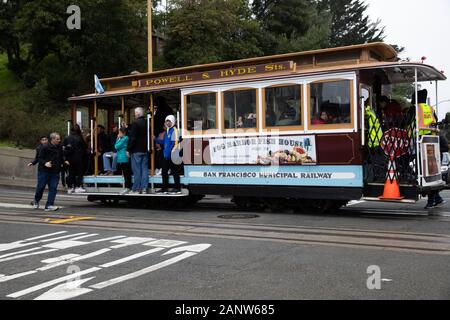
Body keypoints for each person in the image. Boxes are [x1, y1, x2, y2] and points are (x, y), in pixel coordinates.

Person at [31, 132, 69, 211]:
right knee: (41, 187)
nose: (59, 140)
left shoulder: (60, 147)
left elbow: (61, 157)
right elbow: (40, 158)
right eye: (57, 139)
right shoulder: (44, 147)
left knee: (53, 188)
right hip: (44, 171)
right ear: (52, 139)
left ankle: (49, 205)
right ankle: (36, 200)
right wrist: (45, 163)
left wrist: (64, 161)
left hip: (55, 171)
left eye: (59, 139)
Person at [155, 115, 182, 194]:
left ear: (173, 122)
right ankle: (164, 188)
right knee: (164, 172)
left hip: (172, 155)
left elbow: (176, 143)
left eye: (169, 121)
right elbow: (164, 142)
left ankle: (177, 188)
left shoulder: (174, 130)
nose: (167, 122)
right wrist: (155, 139)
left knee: (174, 171)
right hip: (166, 155)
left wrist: (171, 153)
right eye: (166, 121)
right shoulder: (167, 131)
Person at [127, 107, 149, 194]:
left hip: (136, 150)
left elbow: (133, 138)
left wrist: (128, 149)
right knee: (144, 170)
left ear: (138, 114)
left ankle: (136, 188)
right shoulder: (147, 122)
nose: (134, 114)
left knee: (137, 170)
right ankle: (144, 188)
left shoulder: (135, 123)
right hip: (145, 149)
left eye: (135, 113)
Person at [63, 124, 87, 194]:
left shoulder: (67, 138)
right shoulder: (79, 138)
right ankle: (78, 186)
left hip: (69, 158)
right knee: (80, 172)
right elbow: (84, 147)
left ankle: (70, 187)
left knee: (71, 172)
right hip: (78, 157)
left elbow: (64, 147)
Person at [115, 127, 132, 195]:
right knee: (124, 174)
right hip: (121, 158)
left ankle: (128, 187)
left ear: (123, 133)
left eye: (119, 133)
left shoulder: (125, 138)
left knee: (126, 174)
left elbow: (116, 146)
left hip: (124, 158)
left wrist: (118, 138)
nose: (118, 134)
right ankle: (126, 187)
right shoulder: (122, 138)